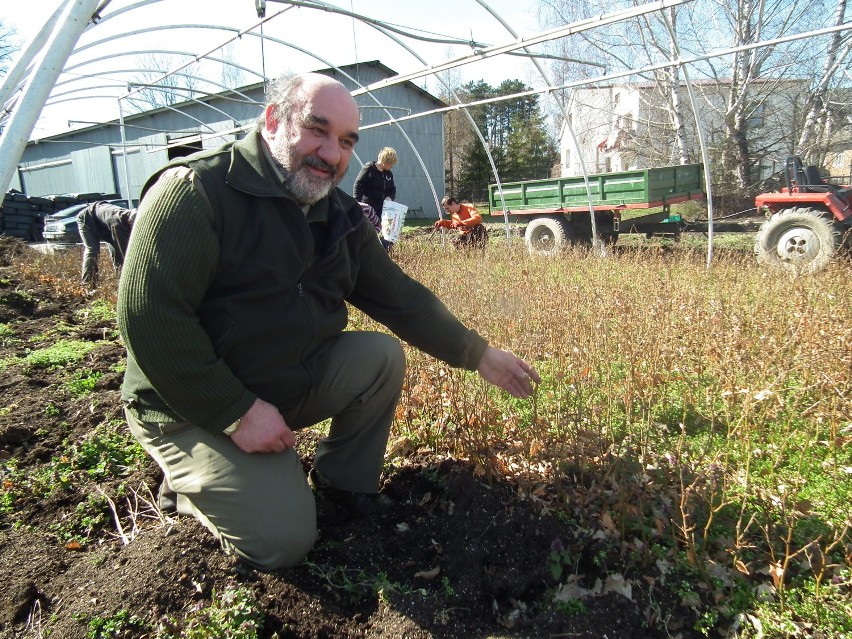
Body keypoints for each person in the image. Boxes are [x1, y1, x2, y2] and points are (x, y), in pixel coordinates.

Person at [117, 72, 539, 572]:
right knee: (283, 541)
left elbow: (398, 296)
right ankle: (185, 483)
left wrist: (477, 353)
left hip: (275, 385)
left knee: (378, 357)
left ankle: (342, 484)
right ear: (274, 120)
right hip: (189, 402)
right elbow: (148, 316)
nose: (332, 154)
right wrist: (236, 411)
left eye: (345, 141)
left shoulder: (336, 213)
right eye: (317, 130)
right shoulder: (198, 190)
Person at [76, 201, 136, 287]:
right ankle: (88, 284)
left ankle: (121, 282)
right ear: (130, 222)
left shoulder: (128, 217)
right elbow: (125, 252)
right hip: (87, 220)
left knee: (116, 253)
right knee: (92, 250)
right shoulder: (117, 222)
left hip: (103, 224)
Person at [353, 146, 397, 250]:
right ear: (385, 161)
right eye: (390, 164)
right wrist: (357, 203)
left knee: (385, 232)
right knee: (369, 232)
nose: (391, 166)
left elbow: (392, 189)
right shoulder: (369, 169)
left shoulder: (389, 174)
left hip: (383, 209)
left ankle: (385, 250)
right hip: (369, 208)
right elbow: (358, 185)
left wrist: (389, 197)